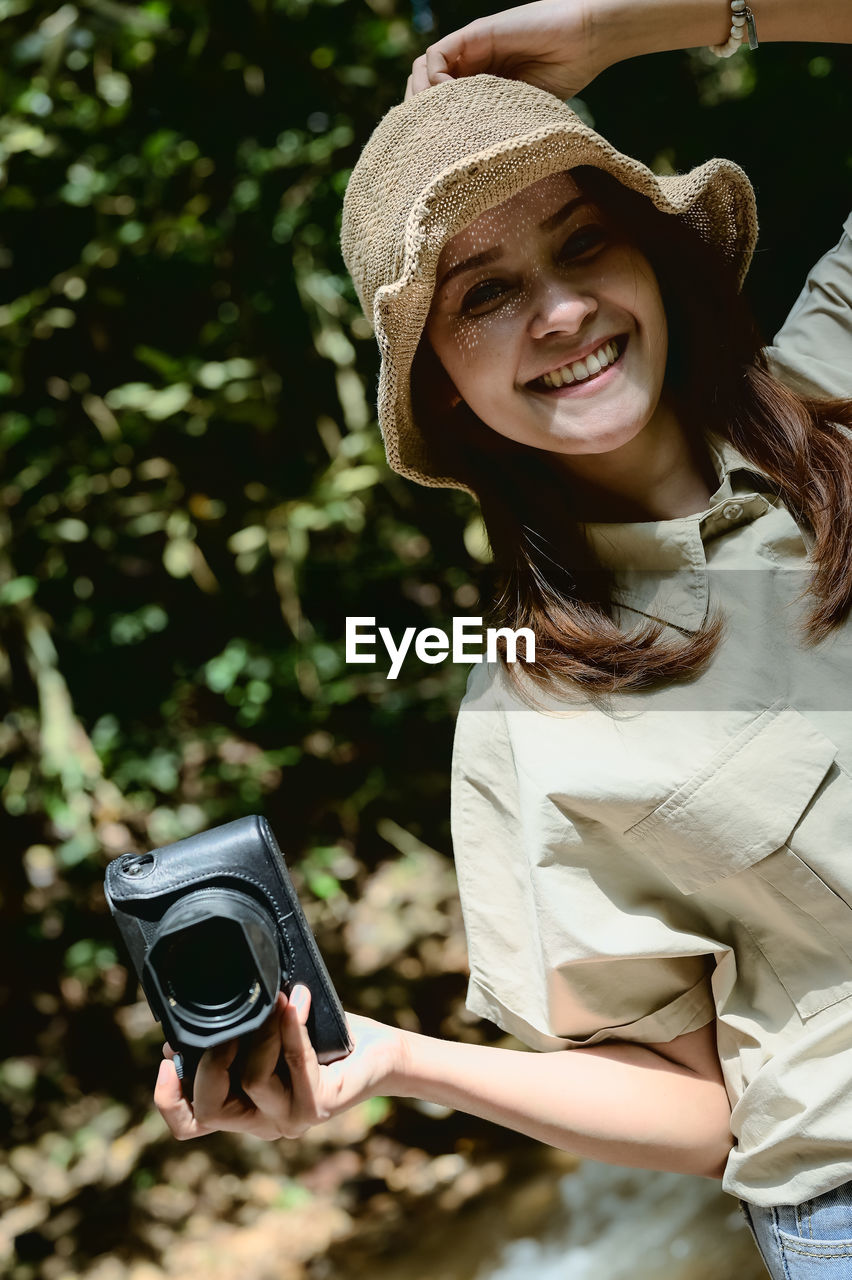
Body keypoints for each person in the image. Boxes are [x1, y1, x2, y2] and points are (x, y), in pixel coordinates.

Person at [155, 3, 852, 1276]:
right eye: (487, 294)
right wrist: (400, 1058)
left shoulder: (837, 371)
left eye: (586, 243)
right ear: (439, 384)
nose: (563, 310)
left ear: (651, 256)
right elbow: (703, 1108)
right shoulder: (533, 718)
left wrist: (644, 23)